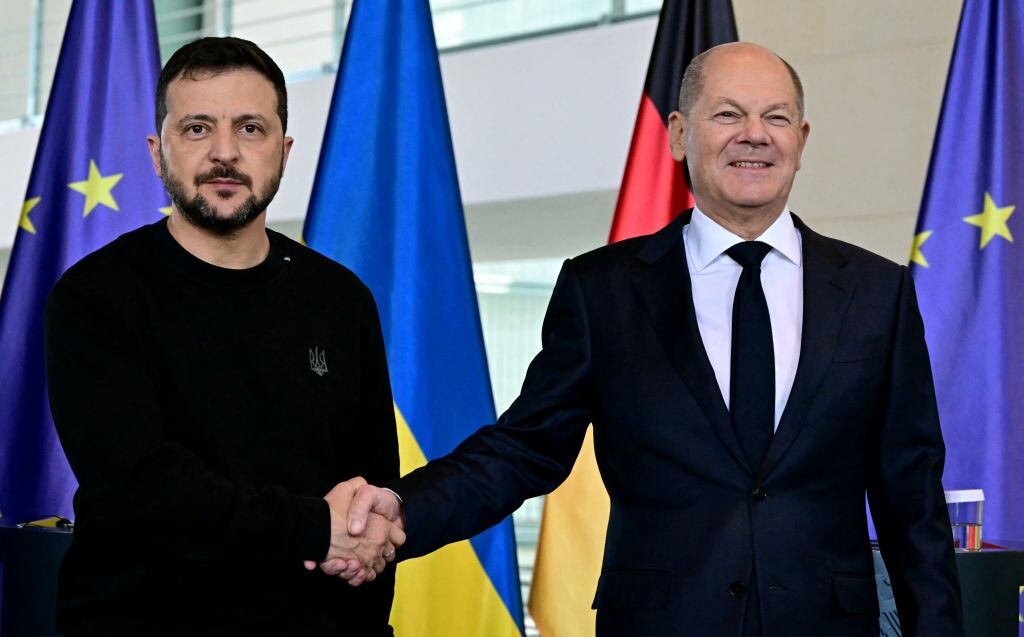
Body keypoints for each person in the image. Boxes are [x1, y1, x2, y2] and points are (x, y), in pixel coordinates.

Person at [336, 42, 964, 636]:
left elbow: (911, 495)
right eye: (728, 114)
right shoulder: (602, 289)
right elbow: (524, 449)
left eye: (777, 117)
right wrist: (402, 510)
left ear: (801, 142)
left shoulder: (878, 292)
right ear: (679, 135)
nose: (756, 134)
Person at [44, 37, 402, 636]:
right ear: (158, 154)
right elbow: (141, 490)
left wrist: (369, 530)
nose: (225, 153)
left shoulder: (342, 300)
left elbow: (371, 482)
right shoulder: (95, 296)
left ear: (284, 151)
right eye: (197, 129)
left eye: (251, 129)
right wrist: (315, 527)